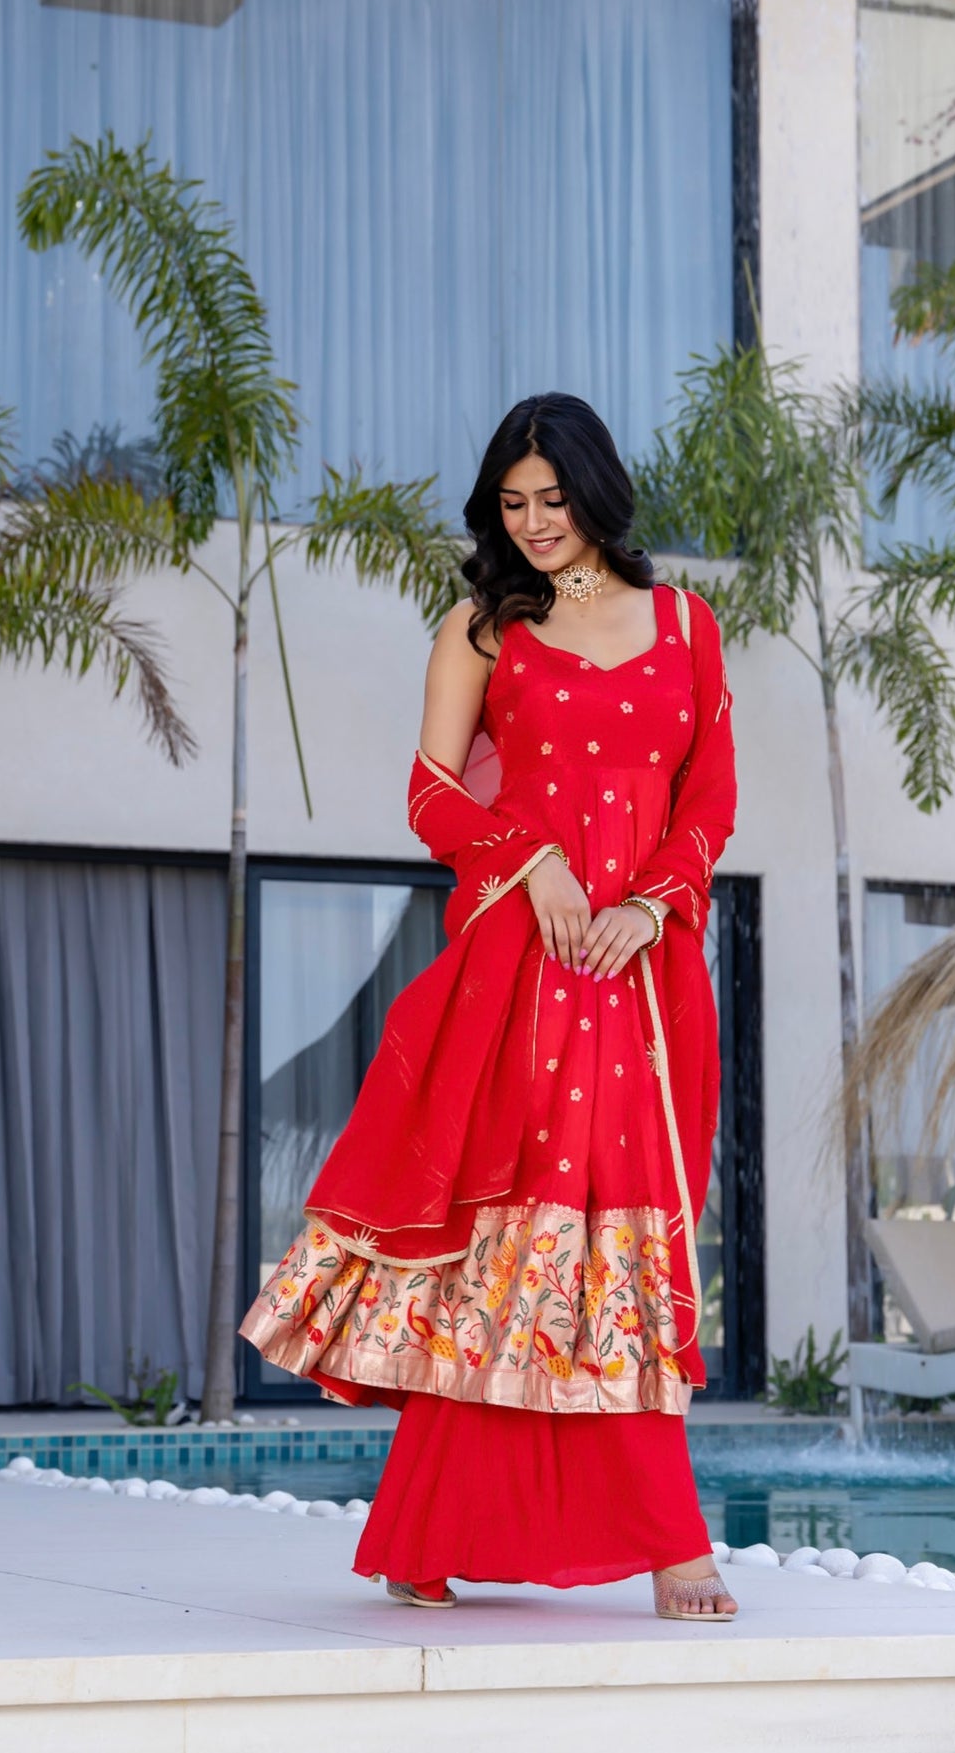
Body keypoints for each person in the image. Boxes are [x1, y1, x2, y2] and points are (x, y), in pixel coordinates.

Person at [240, 392, 738, 1619]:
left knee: (616, 1239)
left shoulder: (686, 624)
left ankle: (640, 1536)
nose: (533, 523)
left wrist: (653, 902)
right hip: (526, 962)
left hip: (640, 973)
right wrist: (539, 861)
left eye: (553, 500)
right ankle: (475, 1527)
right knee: (511, 1239)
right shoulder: (481, 628)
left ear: (597, 492)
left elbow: (710, 796)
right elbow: (431, 790)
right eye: (513, 504)